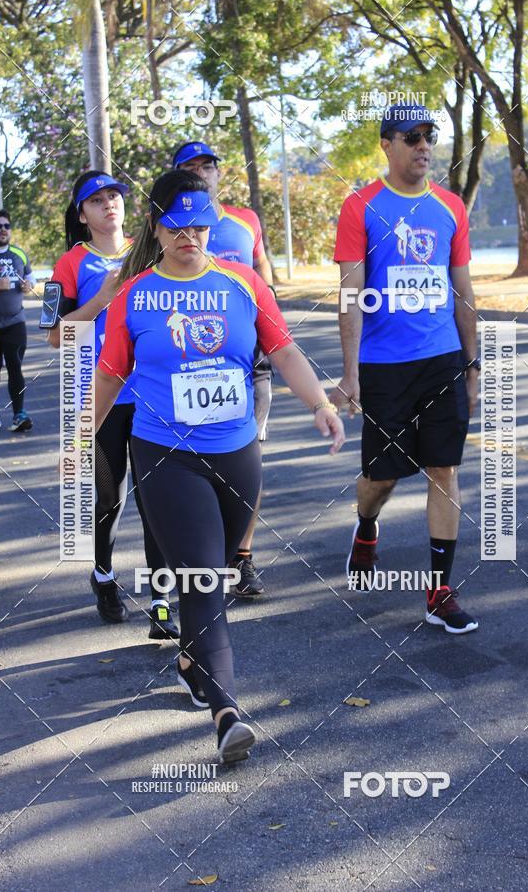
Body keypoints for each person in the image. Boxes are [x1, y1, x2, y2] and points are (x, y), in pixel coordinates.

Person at [95, 169, 344, 762]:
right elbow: (110, 374)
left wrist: (320, 403)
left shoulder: (245, 283)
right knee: (202, 573)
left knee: (219, 572)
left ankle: (189, 654)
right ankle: (227, 710)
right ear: (155, 228)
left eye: (199, 224)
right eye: (177, 226)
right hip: (165, 455)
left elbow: (281, 348)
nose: (190, 236)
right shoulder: (135, 296)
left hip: (237, 452)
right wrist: (80, 437)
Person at [330, 104, 479, 634]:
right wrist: (350, 374)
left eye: (429, 136)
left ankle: (439, 590)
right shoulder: (361, 207)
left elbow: (462, 290)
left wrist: (473, 363)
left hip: (440, 360)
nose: (423, 145)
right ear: (387, 144)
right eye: (411, 137)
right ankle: (366, 525)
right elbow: (350, 294)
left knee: (444, 469)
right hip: (384, 364)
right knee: (383, 476)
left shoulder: (451, 207)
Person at [46, 171, 179, 639]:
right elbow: (54, 337)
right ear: (82, 215)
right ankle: (103, 575)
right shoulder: (68, 264)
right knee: (106, 498)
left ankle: (161, 600)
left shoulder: (151, 251)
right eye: (96, 200)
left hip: (151, 395)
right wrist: (101, 300)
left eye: (115, 197)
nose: (109, 205)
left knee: (156, 499)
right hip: (97, 397)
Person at [172, 140, 274, 598]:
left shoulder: (245, 221)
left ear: (218, 172)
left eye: (207, 166)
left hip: (250, 355)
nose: (202, 173)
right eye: (190, 167)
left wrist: (271, 336)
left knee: (249, 458)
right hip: (194, 356)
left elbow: (262, 273)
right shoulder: (167, 226)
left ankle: (243, 558)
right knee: (196, 460)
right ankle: (201, 556)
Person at [0, 209, 35, 431]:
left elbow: (30, 277)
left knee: (15, 366)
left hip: (15, 322)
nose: (3, 230)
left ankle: (19, 414)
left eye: (6, 226)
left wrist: (29, 285)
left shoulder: (19, 254)